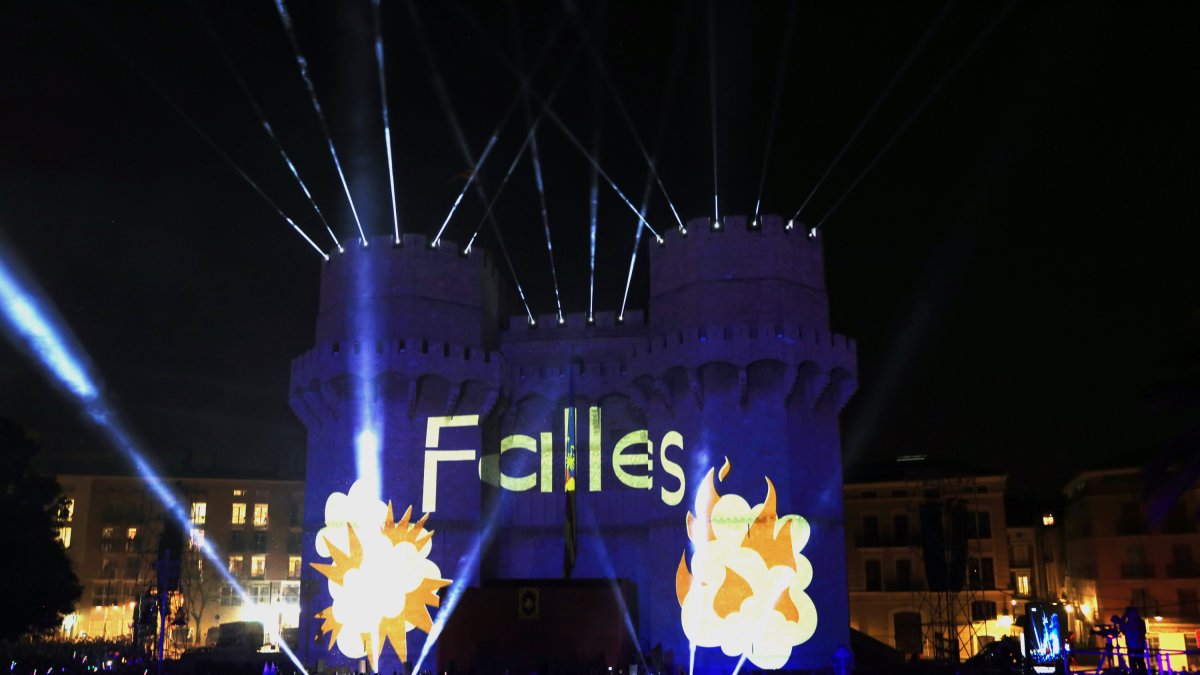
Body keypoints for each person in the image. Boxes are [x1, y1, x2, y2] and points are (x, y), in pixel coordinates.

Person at [1120, 606, 1148, 675]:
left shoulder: (1130, 624)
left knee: (1135, 665)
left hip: (1133, 647)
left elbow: (1122, 627)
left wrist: (1124, 617)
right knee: (1140, 664)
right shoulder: (1140, 622)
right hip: (1138, 647)